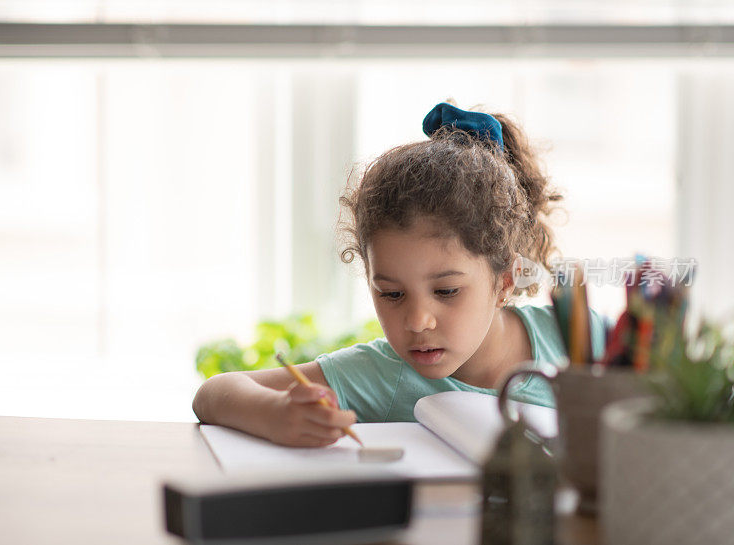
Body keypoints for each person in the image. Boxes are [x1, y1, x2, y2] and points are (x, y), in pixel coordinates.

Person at [192, 102, 607, 447]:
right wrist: (275, 413)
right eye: (391, 294)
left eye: (445, 290)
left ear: (504, 281)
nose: (417, 321)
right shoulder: (382, 374)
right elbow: (212, 394)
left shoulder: (577, 336)